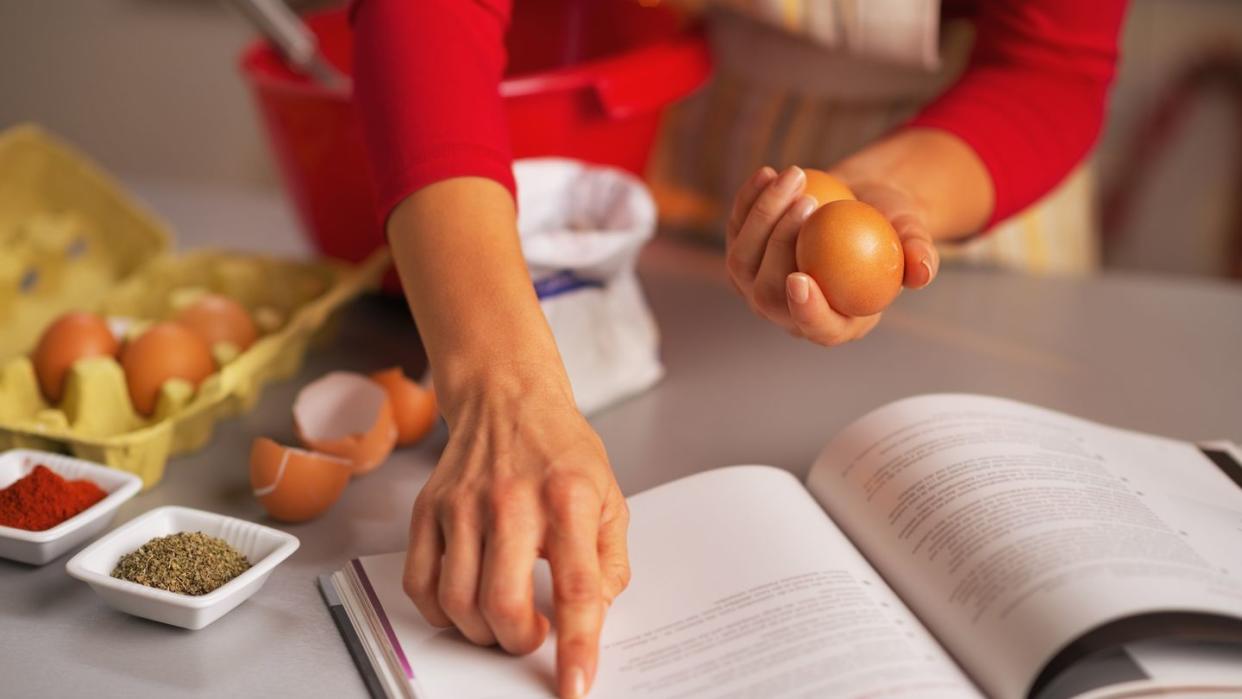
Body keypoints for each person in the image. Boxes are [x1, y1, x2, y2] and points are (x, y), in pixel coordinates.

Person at [348, 1, 1126, 697]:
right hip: (708, 142)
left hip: (965, 168)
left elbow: (1050, 66)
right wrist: (503, 390)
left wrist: (879, 192)